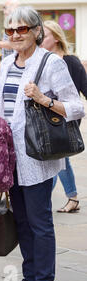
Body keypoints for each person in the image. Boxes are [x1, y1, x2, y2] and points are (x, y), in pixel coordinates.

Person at [0, 7, 84, 281]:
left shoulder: (51, 64)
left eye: (22, 29)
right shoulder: (6, 63)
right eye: (10, 30)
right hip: (11, 157)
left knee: (39, 222)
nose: (16, 35)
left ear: (36, 31)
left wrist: (43, 99)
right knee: (21, 221)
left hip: (37, 157)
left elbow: (77, 107)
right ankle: (29, 279)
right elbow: (0, 111)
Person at [41, 20, 87, 214]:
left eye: (45, 35)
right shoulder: (41, 60)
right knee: (58, 157)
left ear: (57, 38)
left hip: (67, 118)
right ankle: (70, 197)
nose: (41, 38)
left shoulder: (71, 61)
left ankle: (61, 198)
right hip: (47, 117)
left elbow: (85, 89)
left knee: (59, 156)